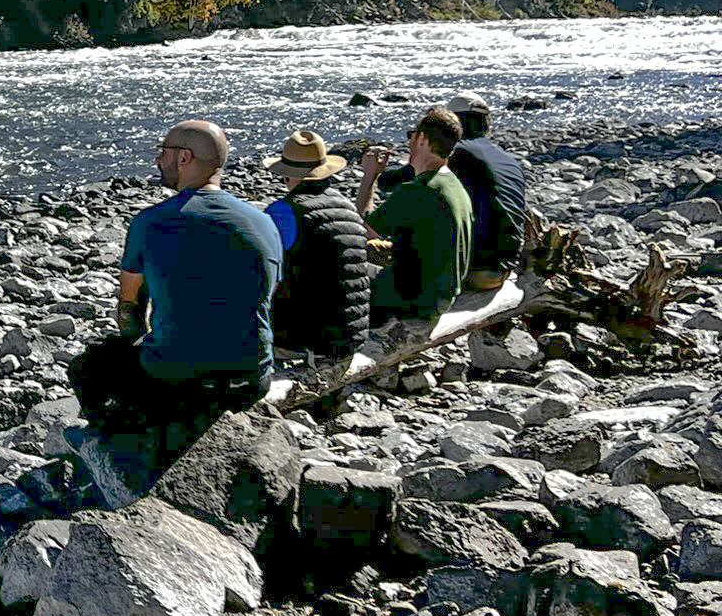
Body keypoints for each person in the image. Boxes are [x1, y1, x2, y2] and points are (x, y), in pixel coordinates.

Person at [69, 120, 283, 456]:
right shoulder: (264, 222)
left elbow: (130, 307)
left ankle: (123, 450)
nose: (158, 161)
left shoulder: (152, 222)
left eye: (163, 152)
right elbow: (266, 296)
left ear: (184, 158)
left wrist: (136, 345)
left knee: (89, 367)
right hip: (251, 379)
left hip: (177, 381)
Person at [262, 130, 371, 360]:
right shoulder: (347, 206)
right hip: (352, 336)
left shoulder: (285, 211)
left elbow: (259, 268)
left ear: (287, 175)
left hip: (305, 339)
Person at [358, 107, 474, 321]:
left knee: (337, 271)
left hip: (414, 300)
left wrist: (370, 176)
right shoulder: (453, 183)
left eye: (412, 136)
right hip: (443, 295)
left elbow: (361, 233)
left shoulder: (419, 190)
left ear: (422, 139)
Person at [443, 92, 529, 289]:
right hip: (503, 268)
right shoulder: (509, 160)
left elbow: (393, 183)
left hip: (472, 270)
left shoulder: (453, 154)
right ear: (487, 124)